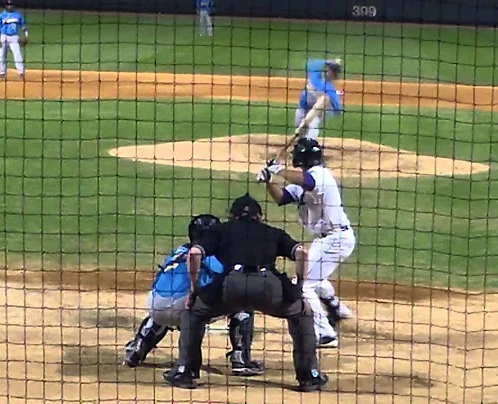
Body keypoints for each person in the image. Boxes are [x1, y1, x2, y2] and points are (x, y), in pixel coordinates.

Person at [163, 194, 327, 392]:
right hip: (268, 286)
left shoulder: (220, 230)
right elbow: (302, 253)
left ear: (232, 216)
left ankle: (184, 372)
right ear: (259, 217)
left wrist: (194, 290)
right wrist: (298, 291)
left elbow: (195, 253)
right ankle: (309, 376)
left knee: (193, 313)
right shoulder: (272, 232)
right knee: (301, 314)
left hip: (230, 285)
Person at [122, 214, 263, 376]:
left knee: (167, 305)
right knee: (243, 302)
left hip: (155, 306)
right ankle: (241, 360)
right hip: (187, 311)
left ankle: (137, 349)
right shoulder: (215, 254)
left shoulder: (178, 250)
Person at [257, 137, 356, 348]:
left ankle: (326, 334)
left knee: (303, 286)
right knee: (313, 274)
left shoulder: (319, 175)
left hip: (337, 238)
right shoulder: (304, 179)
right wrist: (268, 181)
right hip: (325, 240)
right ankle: (334, 307)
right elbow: (281, 198)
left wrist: (277, 170)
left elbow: (307, 182)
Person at [294, 58, 344, 141]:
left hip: (315, 114)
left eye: (332, 71)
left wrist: (325, 110)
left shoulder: (330, 90)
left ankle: (310, 146)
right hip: (302, 108)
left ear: (335, 75)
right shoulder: (315, 74)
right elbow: (308, 64)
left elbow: (338, 110)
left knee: (311, 132)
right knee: (298, 131)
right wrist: (326, 61)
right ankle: (299, 147)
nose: (329, 72)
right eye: (329, 69)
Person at [0, 0, 29, 80]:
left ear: (14, 6)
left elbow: (23, 26)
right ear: (5, 6)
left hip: (14, 37)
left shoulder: (18, 15)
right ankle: (2, 73)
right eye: (8, 5)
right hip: (3, 37)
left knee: (17, 55)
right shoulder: (1, 15)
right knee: (2, 55)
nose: (10, 6)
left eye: (11, 5)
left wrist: (26, 36)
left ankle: (21, 73)